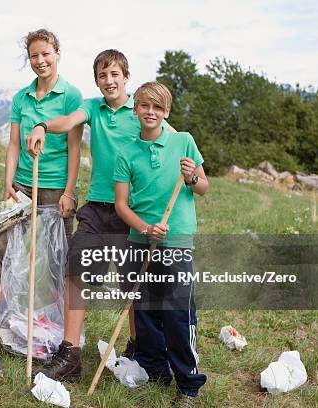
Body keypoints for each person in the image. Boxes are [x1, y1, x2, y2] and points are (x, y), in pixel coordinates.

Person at [30, 50, 168, 380]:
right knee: (75, 271)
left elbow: (170, 137)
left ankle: (138, 347)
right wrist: (41, 125)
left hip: (132, 212)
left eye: (115, 74)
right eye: (103, 76)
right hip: (95, 208)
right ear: (97, 81)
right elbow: (67, 122)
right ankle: (70, 352)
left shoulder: (141, 110)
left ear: (126, 77)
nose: (109, 81)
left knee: (132, 284)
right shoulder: (93, 108)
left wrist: (189, 169)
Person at [114, 82, 208, 406]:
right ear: (136, 109)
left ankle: (188, 385)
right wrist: (145, 228)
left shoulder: (183, 142)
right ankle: (154, 372)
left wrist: (193, 177)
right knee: (146, 311)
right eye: (144, 106)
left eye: (157, 107)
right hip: (140, 240)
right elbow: (121, 205)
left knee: (178, 312)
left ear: (166, 112)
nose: (150, 112)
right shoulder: (126, 152)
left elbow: (204, 187)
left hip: (177, 239)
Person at [0, 28, 83, 334]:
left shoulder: (71, 95)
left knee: (55, 256)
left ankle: (53, 319)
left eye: (45, 54)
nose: (40, 61)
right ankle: (1, 314)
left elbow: (75, 147)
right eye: (34, 56)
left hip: (55, 187)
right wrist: (7, 183)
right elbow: (13, 144)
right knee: (0, 249)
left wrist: (69, 191)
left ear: (57, 54)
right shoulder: (21, 97)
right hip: (23, 186)